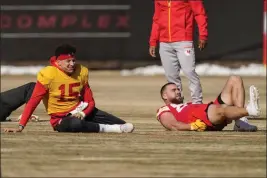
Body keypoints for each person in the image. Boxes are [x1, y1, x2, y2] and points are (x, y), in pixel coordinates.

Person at [4, 44, 134, 133]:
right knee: (75, 124)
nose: (72, 64)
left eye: (73, 60)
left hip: (80, 111)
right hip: (61, 119)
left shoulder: (81, 72)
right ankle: (109, 129)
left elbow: (90, 101)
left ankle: (111, 126)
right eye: (68, 61)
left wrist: (83, 113)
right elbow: (33, 102)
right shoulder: (49, 74)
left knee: (122, 123)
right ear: (58, 62)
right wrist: (21, 126)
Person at [149, 0, 208, 104]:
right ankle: (177, 105)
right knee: (171, 76)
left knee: (189, 72)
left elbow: (199, 13)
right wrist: (153, 41)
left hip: (184, 40)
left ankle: (197, 103)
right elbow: (157, 19)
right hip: (164, 42)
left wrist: (203, 34)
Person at [156, 76, 260, 132]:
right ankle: (249, 110)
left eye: (178, 89)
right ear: (165, 95)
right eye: (174, 90)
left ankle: (240, 122)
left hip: (208, 111)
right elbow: (173, 126)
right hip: (203, 117)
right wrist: (191, 126)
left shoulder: (186, 104)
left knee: (235, 79)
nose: (178, 91)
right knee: (221, 109)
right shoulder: (164, 109)